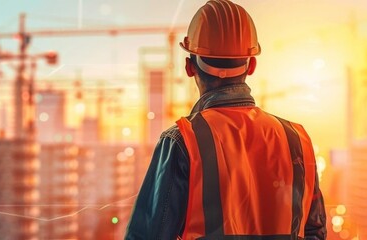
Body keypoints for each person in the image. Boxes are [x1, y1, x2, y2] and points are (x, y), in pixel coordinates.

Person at [125, 0, 326, 239]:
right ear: (251, 65)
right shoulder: (297, 139)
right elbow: (315, 231)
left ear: (190, 67)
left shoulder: (182, 142)